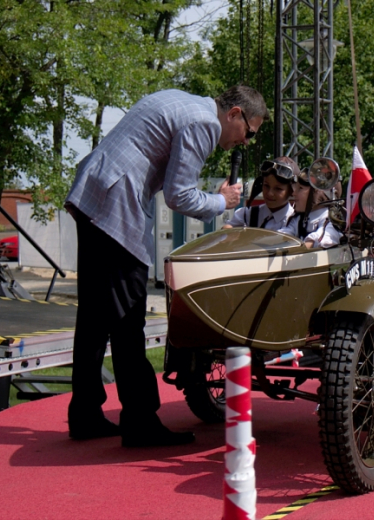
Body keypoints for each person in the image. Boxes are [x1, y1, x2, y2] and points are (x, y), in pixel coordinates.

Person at [64, 85, 268, 447]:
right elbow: (179, 195)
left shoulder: (182, 100)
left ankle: (85, 414)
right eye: (248, 132)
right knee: (128, 318)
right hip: (114, 204)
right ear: (234, 114)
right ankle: (139, 422)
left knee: (95, 317)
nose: (246, 142)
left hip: (94, 193)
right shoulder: (203, 124)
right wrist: (221, 201)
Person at [223, 157, 299, 232]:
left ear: (291, 191)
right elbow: (225, 232)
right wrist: (227, 231)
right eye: (266, 185)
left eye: (278, 189)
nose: (270, 193)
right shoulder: (248, 215)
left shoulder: (295, 221)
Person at [290, 168, 341, 249]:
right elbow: (283, 234)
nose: (294, 193)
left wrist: (310, 242)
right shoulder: (299, 219)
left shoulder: (330, 221)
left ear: (317, 192)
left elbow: (323, 239)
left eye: (300, 188)